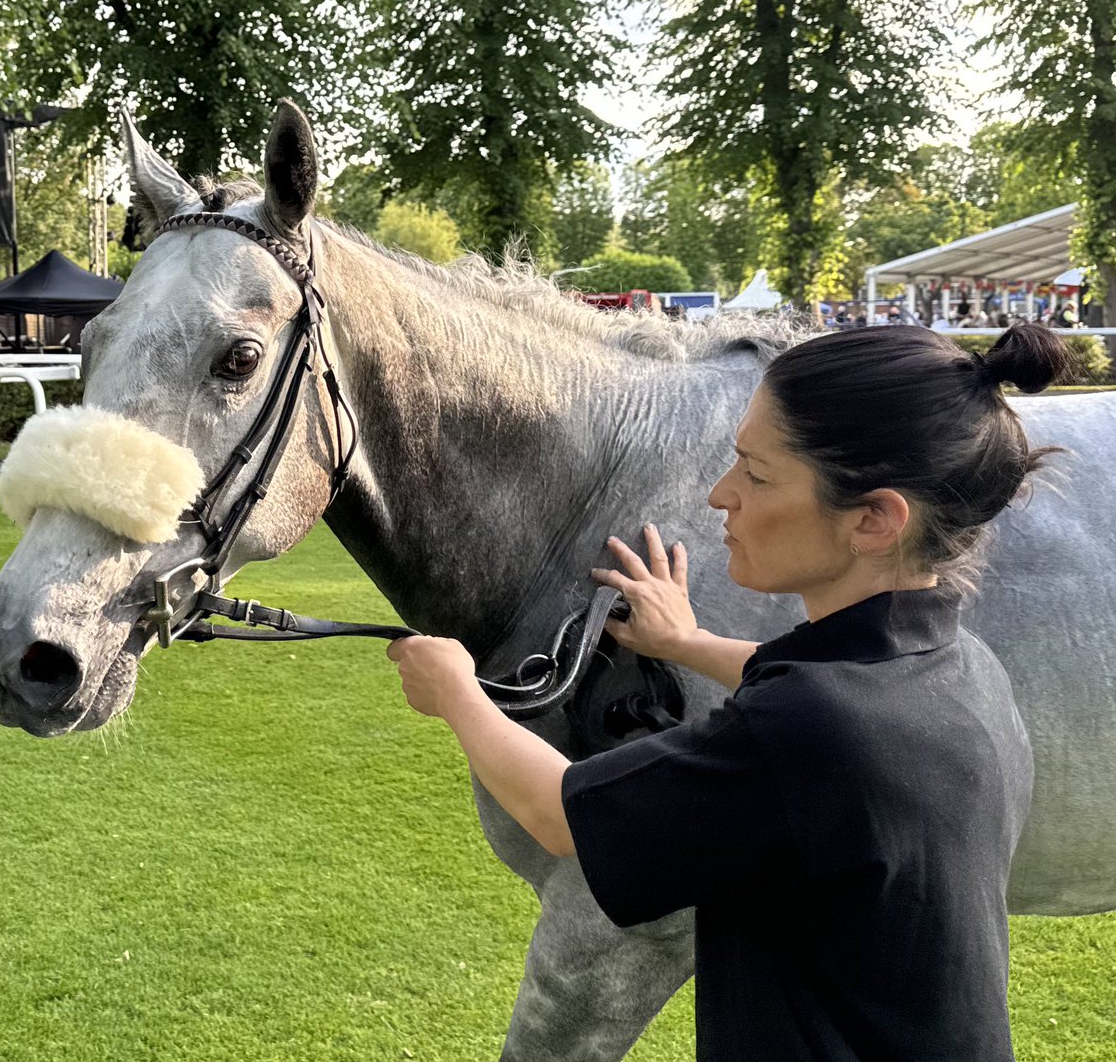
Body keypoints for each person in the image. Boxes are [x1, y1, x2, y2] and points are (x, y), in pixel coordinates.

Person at [387, 323, 1069, 1062]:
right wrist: (687, 644)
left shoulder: (808, 727)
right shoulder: (959, 669)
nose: (720, 495)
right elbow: (814, 694)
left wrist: (458, 690)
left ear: (873, 518)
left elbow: (563, 817)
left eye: (757, 473)